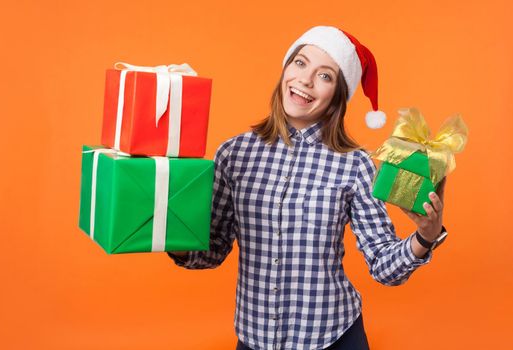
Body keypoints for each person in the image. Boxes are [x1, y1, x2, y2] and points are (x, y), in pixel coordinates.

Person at [169, 25, 448, 350]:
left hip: (334, 338)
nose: (305, 79)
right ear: (286, 68)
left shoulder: (355, 164)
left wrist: (426, 236)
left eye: (325, 76)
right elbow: (212, 250)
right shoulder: (233, 154)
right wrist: (167, 232)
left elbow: (384, 267)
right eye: (300, 63)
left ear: (338, 95)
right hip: (255, 337)